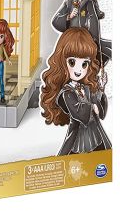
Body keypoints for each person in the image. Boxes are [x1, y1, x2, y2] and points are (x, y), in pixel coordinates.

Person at [40, 27, 111, 155]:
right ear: (62, 61)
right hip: (78, 139)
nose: (79, 70)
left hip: (95, 134)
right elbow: (79, 113)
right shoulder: (66, 92)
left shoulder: (86, 87)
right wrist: (92, 106)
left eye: (84, 64)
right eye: (72, 62)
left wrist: (100, 88)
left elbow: (100, 112)